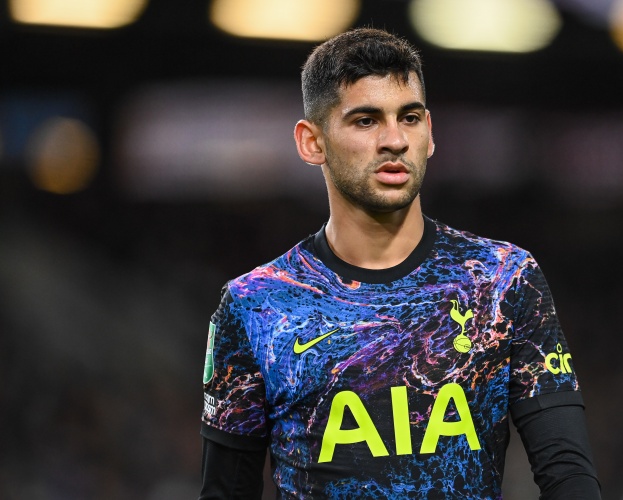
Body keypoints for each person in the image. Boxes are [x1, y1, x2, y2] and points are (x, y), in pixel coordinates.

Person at [199, 27, 600, 499]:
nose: (394, 140)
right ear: (312, 142)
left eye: (408, 118)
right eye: (366, 120)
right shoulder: (255, 305)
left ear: (429, 133)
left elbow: (569, 475)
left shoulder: (501, 279)